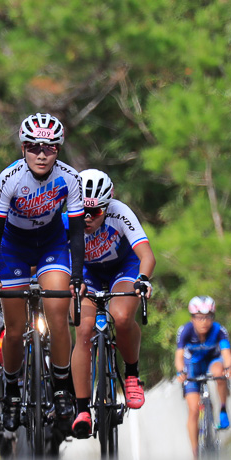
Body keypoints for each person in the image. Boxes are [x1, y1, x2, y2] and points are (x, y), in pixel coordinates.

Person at [0, 113, 85, 434]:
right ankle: (12, 393)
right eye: (34, 147)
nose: (42, 154)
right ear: (23, 148)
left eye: (50, 148)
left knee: (57, 313)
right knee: (13, 330)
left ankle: (60, 386)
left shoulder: (70, 179)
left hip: (50, 244)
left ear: (59, 150)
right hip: (14, 246)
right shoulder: (8, 178)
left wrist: (78, 275)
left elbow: (78, 232)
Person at [69, 169, 154, 438]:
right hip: (86, 272)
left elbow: (146, 256)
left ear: (108, 204)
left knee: (121, 315)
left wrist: (142, 279)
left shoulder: (120, 212)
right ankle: (82, 409)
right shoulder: (66, 216)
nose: (87, 218)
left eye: (95, 212)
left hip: (122, 268)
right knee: (83, 329)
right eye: (83, 210)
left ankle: (131, 374)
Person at [173, 296, 231, 460]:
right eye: (199, 318)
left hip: (212, 362)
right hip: (192, 365)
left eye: (208, 317)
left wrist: (228, 368)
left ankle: (222, 409)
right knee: (193, 410)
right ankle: (195, 455)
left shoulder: (219, 331)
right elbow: (179, 357)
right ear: (192, 318)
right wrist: (180, 371)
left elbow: (226, 354)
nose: (204, 322)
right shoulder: (185, 331)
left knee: (219, 372)